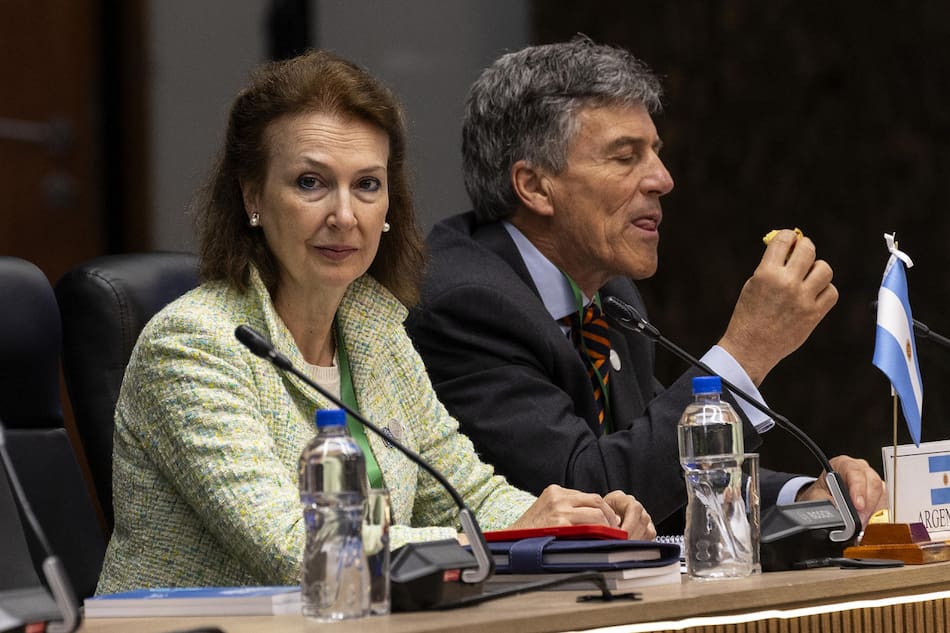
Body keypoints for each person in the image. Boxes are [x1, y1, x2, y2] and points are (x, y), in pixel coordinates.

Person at [95, 49, 655, 594]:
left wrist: (580, 520)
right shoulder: (195, 344)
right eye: (311, 183)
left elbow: (470, 493)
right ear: (252, 197)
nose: (344, 216)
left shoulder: (376, 333)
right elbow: (298, 548)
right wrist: (503, 537)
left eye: (367, 185)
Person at [405, 37, 886, 535]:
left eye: (654, 153)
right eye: (625, 156)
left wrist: (803, 496)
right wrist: (747, 351)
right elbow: (592, 493)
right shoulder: (464, 302)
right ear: (534, 186)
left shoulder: (609, 295)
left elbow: (661, 477)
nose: (663, 179)